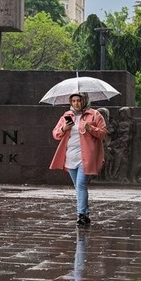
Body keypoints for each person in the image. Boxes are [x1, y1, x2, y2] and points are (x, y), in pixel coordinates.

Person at [49, 93, 108, 227]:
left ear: (85, 100)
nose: (76, 103)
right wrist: (64, 128)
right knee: (78, 186)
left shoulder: (94, 115)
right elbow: (55, 134)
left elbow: (103, 133)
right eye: (73, 101)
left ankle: (81, 214)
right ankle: (85, 214)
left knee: (81, 185)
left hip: (86, 157)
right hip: (70, 157)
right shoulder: (67, 115)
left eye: (79, 100)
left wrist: (90, 128)